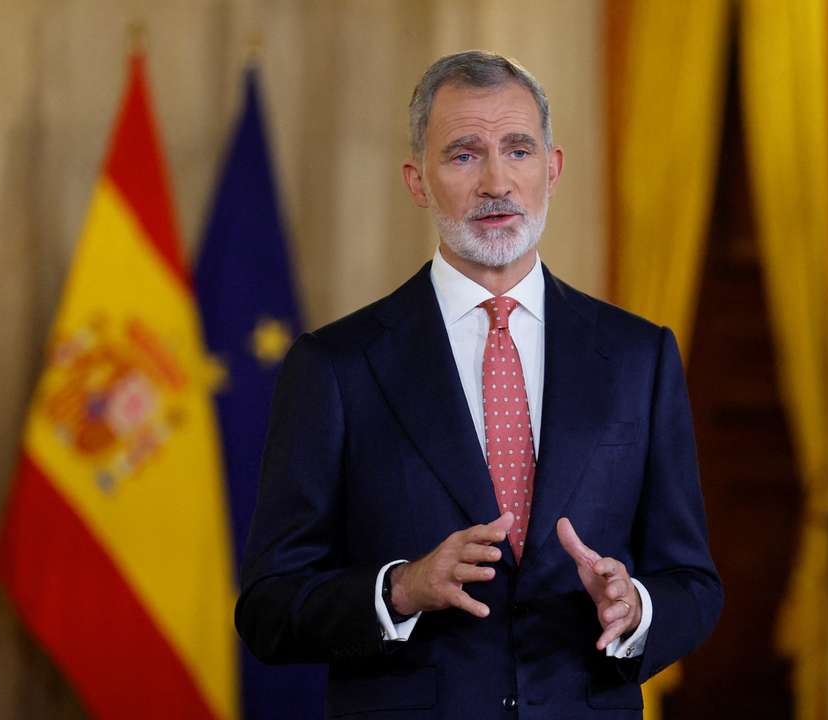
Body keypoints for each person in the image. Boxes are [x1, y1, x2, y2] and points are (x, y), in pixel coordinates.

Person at [235, 50, 722, 719]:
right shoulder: (336, 366)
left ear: (551, 169)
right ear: (418, 181)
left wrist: (636, 607)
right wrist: (400, 590)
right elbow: (267, 607)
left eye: (518, 151)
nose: (497, 181)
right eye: (464, 155)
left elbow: (693, 583)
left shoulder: (641, 357)